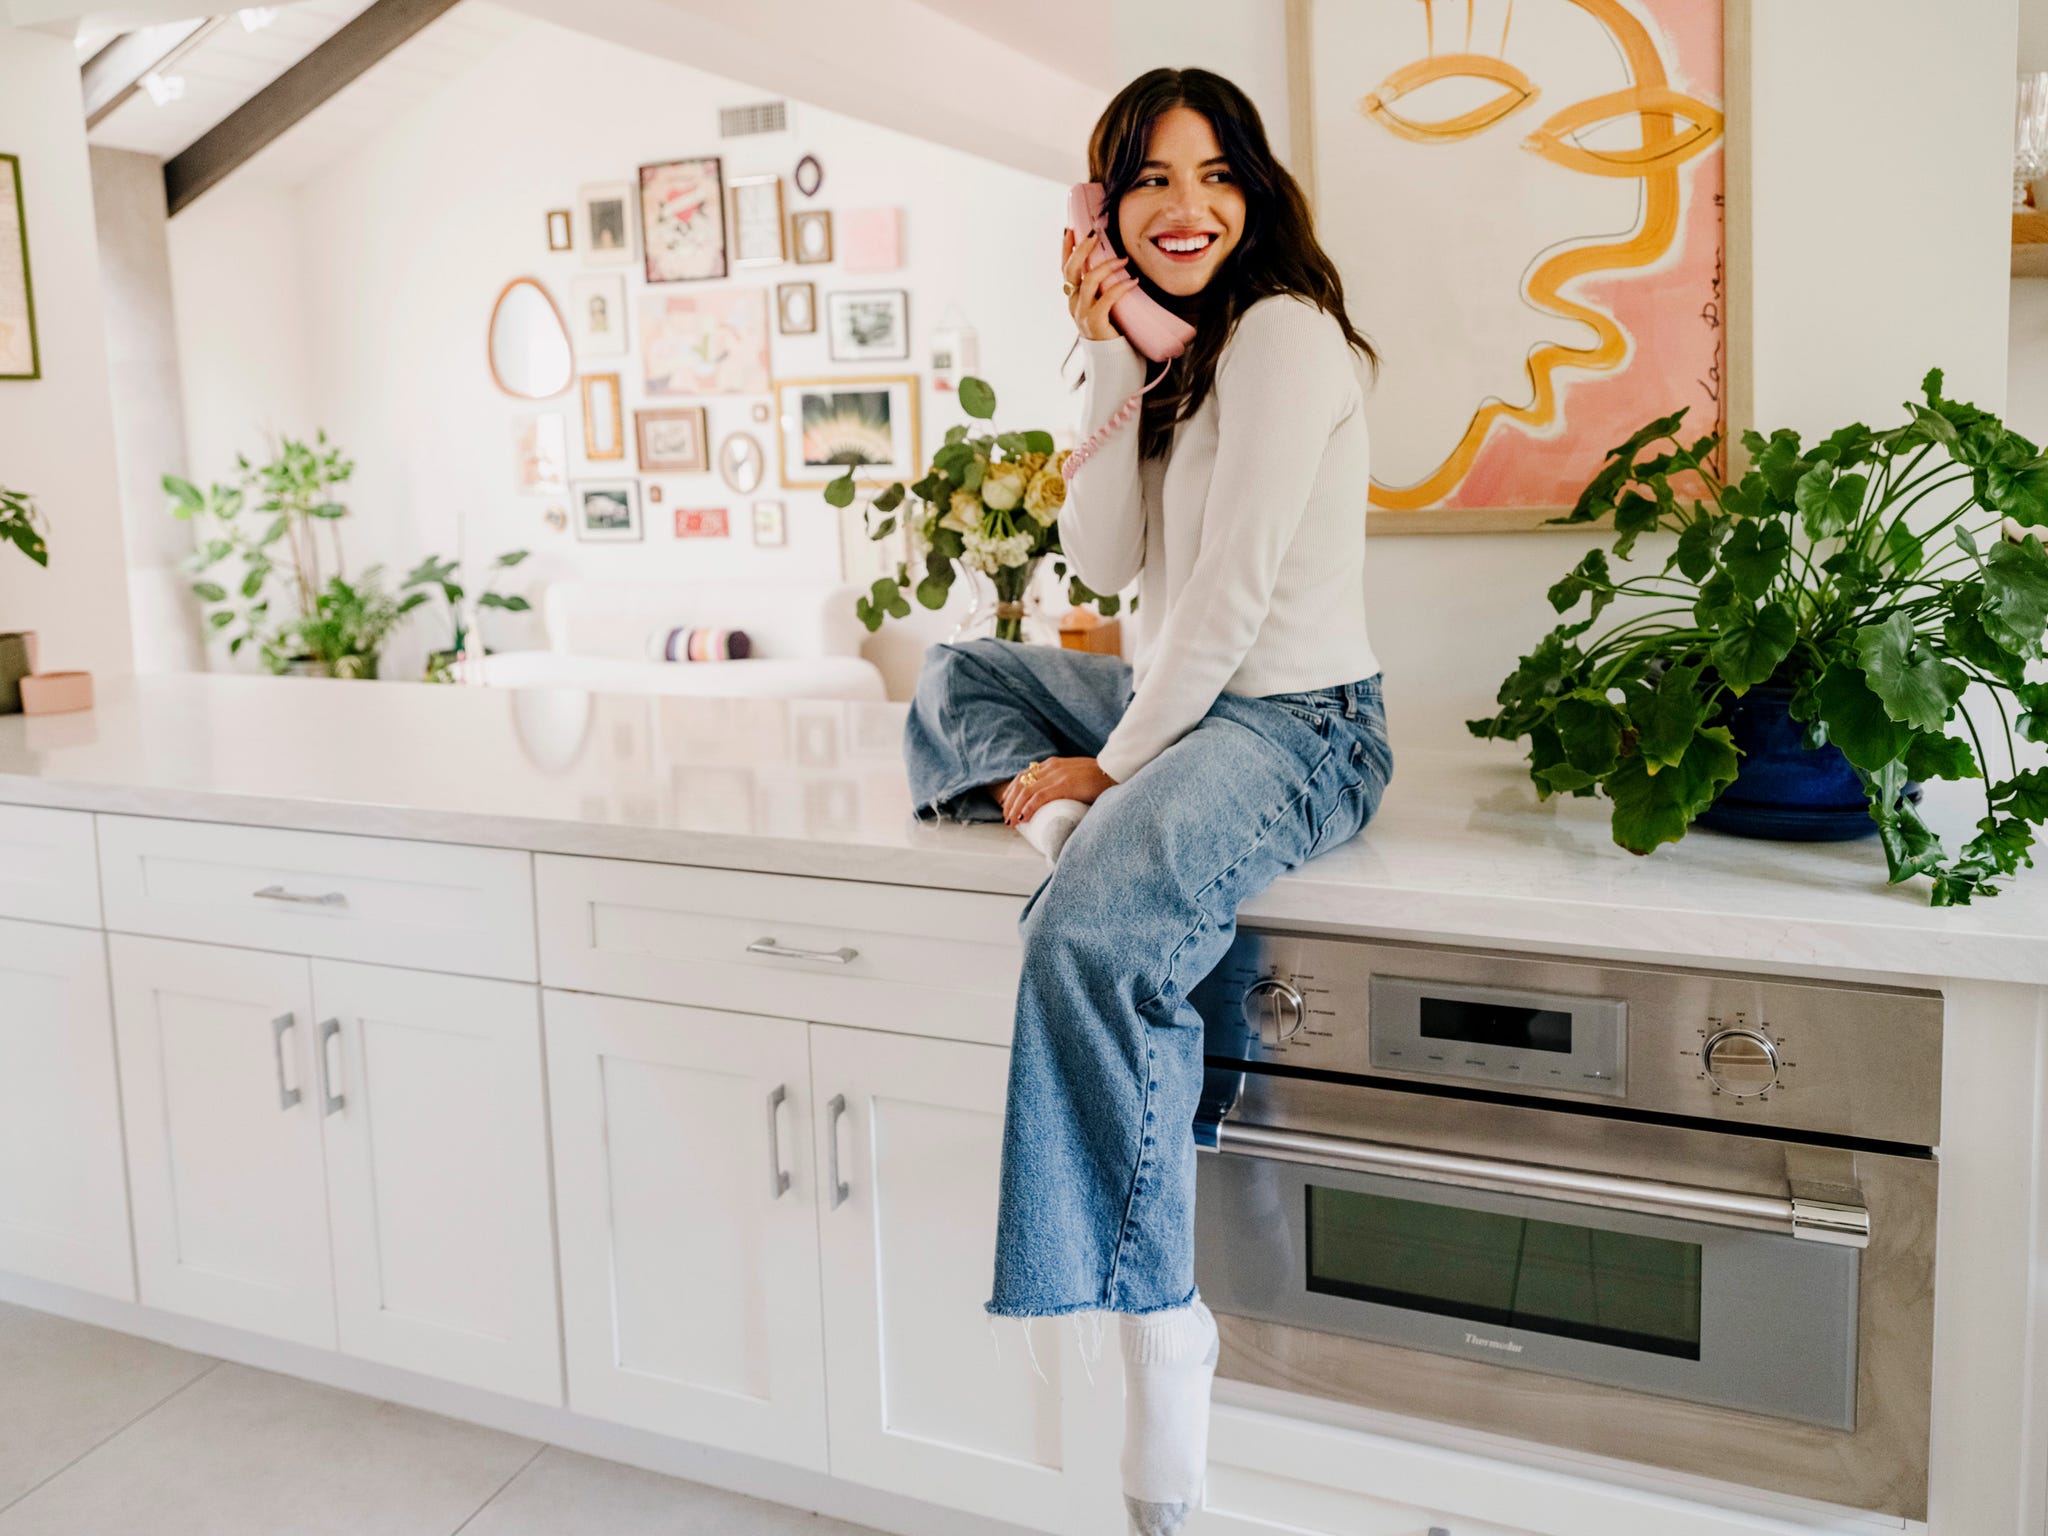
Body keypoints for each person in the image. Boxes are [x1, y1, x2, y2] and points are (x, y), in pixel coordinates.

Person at [902, 66, 1394, 1536]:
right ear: (1107, 211)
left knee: (1086, 938)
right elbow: (1107, 554)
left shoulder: (1293, 339)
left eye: (1213, 175)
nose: (1186, 207)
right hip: (1189, 703)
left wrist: (1117, 772)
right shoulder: (1187, 350)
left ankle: (1162, 1332)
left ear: (1255, 191)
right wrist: (1114, 344)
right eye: (1149, 183)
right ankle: (1066, 817)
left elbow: (1233, 604)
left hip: (1298, 725)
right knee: (956, 674)